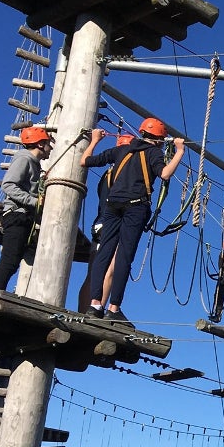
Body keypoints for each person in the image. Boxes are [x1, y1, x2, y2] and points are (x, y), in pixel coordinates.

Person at [80, 118, 185, 326]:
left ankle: (94, 305)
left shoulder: (122, 150)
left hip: (112, 206)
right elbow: (165, 174)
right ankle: (113, 308)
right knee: (124, 256)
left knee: (104, 253)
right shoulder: (153, 153)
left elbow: (85, 161)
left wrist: (94, 140)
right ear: (159, 140)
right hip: (135, 207)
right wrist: (179, 151)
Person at [0, 126, 53, 291]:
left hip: (23, 216)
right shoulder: (24, 159)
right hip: (17, 215)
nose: (51, 148)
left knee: (12, 261)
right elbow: (9, 185)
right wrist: (34, 201)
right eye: (48, 144)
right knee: (9, 261)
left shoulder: (34, 164)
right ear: (40, 144)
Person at [77, 134, 135, 313]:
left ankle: (85, 312)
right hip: (111, 224)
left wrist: (94, 141)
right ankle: (96, 311)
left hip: (99, 224)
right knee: (110, 271)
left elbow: (85, 160)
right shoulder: (124, 176)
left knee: (94, 272)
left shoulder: (108, 174)